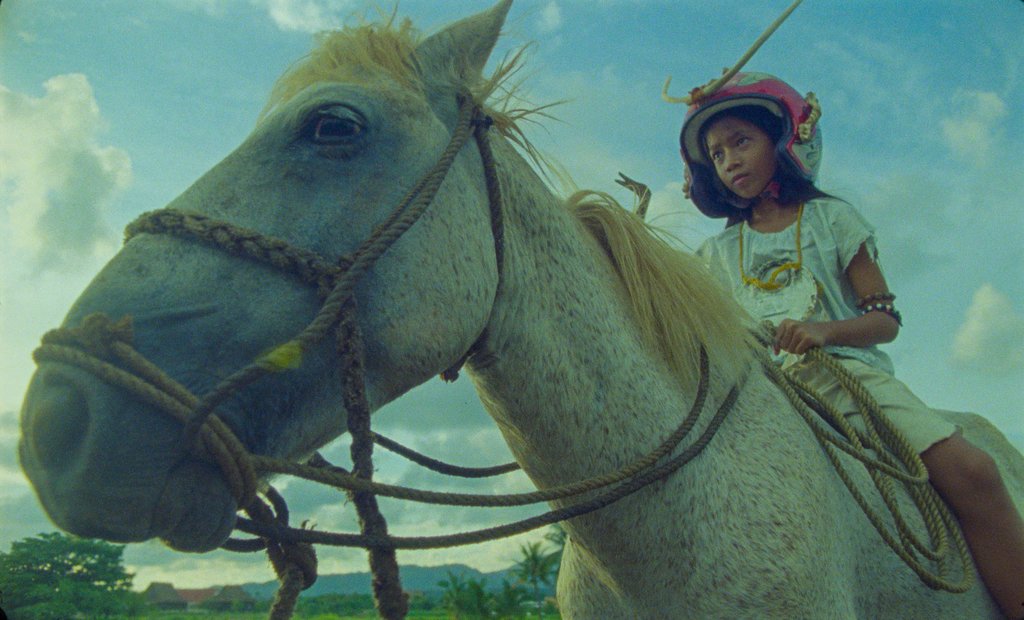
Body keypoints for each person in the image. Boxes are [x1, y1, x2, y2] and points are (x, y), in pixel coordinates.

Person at [681, 71, 1024, 618]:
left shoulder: (833, 219)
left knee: (975, 472)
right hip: (760, 395)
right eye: (717, 154)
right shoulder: (712, 256)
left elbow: (884, 320)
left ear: (786, 140)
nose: (729, 161)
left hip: (848, 380)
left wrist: (823, 331)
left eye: (741, 141)